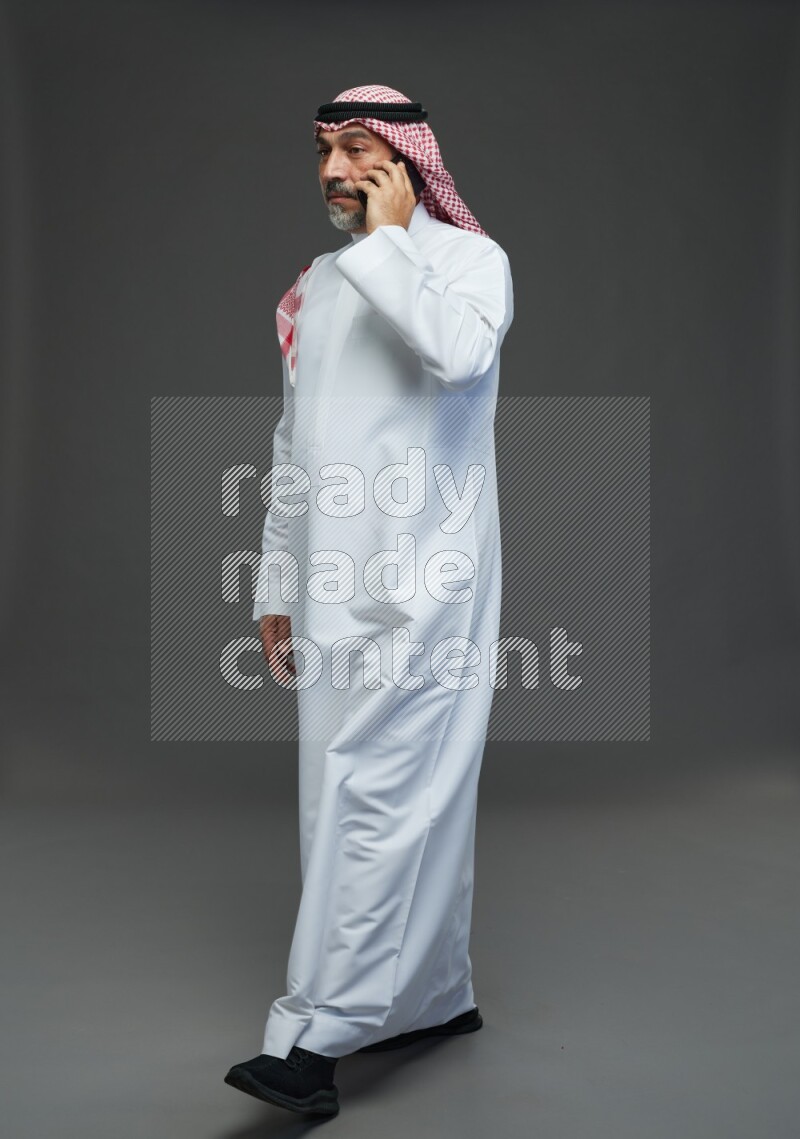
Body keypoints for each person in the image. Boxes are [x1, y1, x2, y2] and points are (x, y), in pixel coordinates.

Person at [224, 83, 514, 1118]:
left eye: (358, 151)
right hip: (333, 580)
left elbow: (458, 352)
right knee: (349, 801)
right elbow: (294, 445)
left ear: (405, 159)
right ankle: (434, 994)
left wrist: (394, 241)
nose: (337, 173)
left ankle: (311, 1036)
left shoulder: (466, 263)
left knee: (377, 797)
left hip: (425, 581)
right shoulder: (316, 284)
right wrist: (276, 577)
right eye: (324, 153)